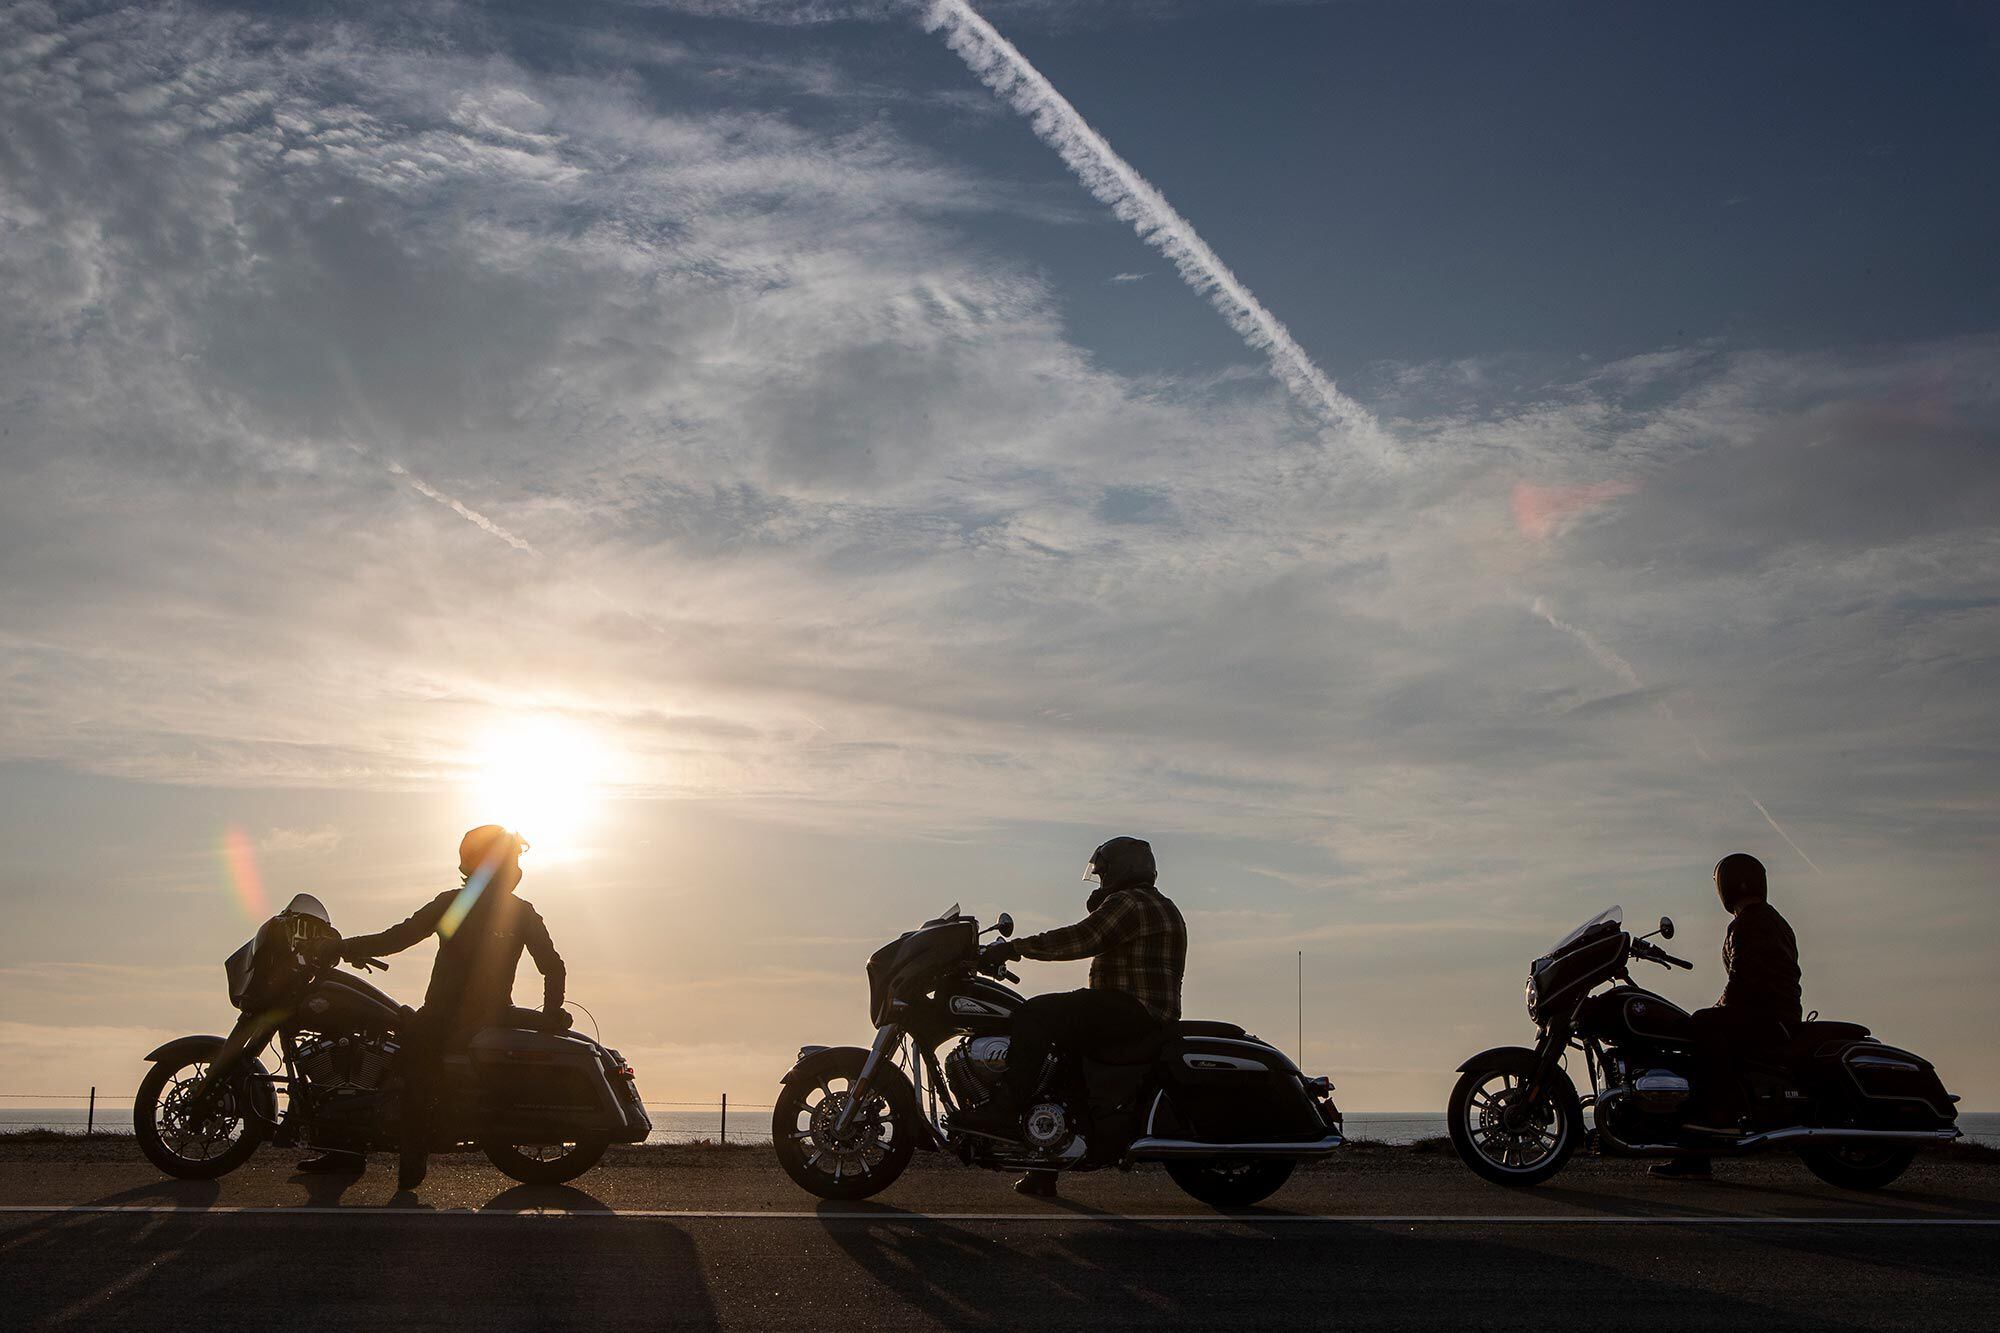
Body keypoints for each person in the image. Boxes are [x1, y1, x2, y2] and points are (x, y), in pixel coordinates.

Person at [322, 826, 567, 1190]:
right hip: (494, 1014)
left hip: (447, 1016)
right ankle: (349, 1147)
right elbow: (553, 966)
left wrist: (343, 948)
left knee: (409, 1069)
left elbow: (397, 938)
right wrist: (550, 1014)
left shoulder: (459, 904)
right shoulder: (517, 911)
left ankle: (407, 1159)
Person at [949, 836, 1188, 1198]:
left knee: (1036, 1013)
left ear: (1121, 870)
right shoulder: (1151, 903)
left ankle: (1003, 1109)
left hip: (1133, 1010)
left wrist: (1014, 948)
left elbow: (1082, 939)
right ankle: (1044, 1163)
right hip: (1137, 1011)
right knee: (1060, 1061)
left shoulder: (1132, 903)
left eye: (1104, 874)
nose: (1101, 882)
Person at [1651, 851, 1801, 1181]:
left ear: (1732, 884)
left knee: (1697, 1027)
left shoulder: (1750, 923)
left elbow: (1744, 979)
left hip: (1765, 1016)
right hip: (1775, 1014)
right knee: (1703, 1024)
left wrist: (1717, 1009)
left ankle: (1716, 1119)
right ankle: (1697, 1146)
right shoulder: (1770, 919)